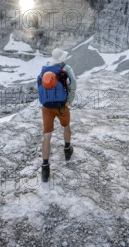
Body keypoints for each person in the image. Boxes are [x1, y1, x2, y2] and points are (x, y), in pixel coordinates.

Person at [41, 48, 77, 182]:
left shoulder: (45, 67)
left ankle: (45, 167)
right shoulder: (66, 67)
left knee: (47, 134)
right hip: (61, 105)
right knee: (66, 126)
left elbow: (40, 83)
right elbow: (74, 82)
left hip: (46, 107)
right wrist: (70, 99)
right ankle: (67, 149)